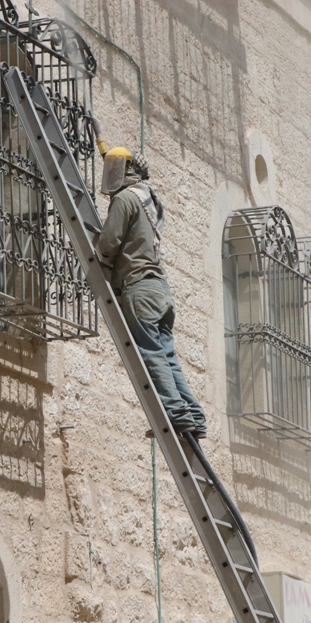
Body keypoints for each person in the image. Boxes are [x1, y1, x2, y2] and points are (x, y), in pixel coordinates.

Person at [94, 144, 207, 437]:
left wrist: (99, 254)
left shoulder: (125, 199)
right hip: (161, 291)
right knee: (167, 356)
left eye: (114, 168)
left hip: (139, 289)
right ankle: (194, 414)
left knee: (150, 353)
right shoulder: (150, 200)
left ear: (125, 170)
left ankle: (176, 413)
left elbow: (109, 243)